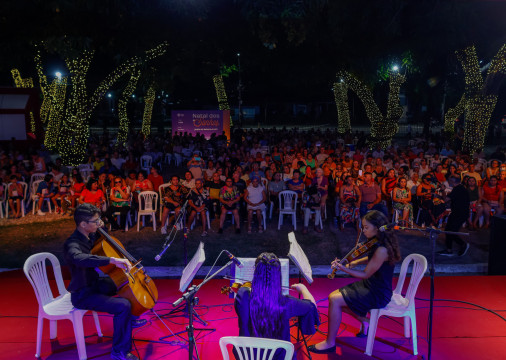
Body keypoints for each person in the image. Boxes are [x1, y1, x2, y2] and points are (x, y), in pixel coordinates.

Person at [309, 210, 401, 354]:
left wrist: (342, 268)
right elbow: (370, 257)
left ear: (377, 228)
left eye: (366, 227)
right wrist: (354, 262)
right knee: (335, 300)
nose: (363, 230)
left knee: (334, 299)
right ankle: (364, 320)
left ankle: (330, 342)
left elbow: (365, 273)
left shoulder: (382, 249)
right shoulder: (378, 242)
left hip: (377, 292)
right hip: (371, 285)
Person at [63, 204, 145, 360]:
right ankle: (119, 352)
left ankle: (130, 319)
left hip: (94, 284)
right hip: (83, 294)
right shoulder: (72, 244)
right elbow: (80, 258)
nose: (98, 223)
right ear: (83, 224)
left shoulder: (90, 235)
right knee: (123, 305)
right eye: (95, 221)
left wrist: (103, 226)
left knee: (123, 281)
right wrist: (112, 260)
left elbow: (104, 238)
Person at [235, 252, 318, 360]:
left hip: (248, 355)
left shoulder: (243, 295)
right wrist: (303, 289)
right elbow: (312, 306)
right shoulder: (287, 303)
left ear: (255, 271)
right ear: (278, 275)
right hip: (278, 356)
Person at [438, 176, 470, 257]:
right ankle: (449, 250)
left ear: (453, 181)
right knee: (448, 230)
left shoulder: (457, 189)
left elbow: (446, 199)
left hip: (460, 214)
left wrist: (442, 190)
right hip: (457, 213)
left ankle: (463, 244)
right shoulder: (460, 188)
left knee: (451, 231)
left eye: (449, 181)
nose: (448, 183)